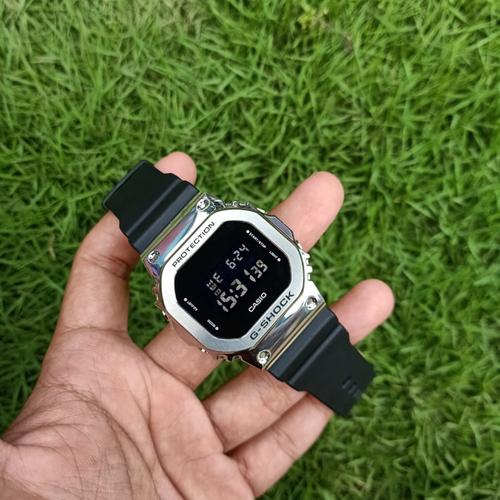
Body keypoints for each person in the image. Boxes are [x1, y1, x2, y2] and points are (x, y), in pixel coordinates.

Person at [0, 153, 394, 499]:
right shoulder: (183, 278)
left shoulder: (198, 273)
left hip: (291, 306)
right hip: (269, 324)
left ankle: (351, 385)